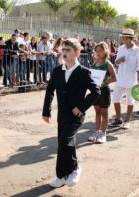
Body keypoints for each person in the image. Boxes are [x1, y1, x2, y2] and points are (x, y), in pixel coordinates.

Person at [42, 38, 100, 188]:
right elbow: (49, 91)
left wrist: (81, 107)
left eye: (68, 50)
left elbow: (96, 92)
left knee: (65, 141)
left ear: (77, 53)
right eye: (63, 49)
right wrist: (46, 110)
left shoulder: (84, 72)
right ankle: (61, 175)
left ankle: (75, 168)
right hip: (62, 114)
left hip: (76, 116)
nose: (64, 53)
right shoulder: (57, 70)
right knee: (62, 144)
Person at [110, 29, 139, 129]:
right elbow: (116, 62)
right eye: (123, 38)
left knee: (130, 101)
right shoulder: (121, 48)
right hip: (120, 78)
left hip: (132, 79)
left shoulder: (137, 50)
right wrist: (119, 60)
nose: (123, 40)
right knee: (115, 99)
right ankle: (119, 119)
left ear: (131, 39)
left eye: (125, 38)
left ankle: (127, 121)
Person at [88, 42, 116, 144]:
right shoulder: (95, 63)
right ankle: (96, 132)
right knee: (97, 112)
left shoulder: (108, 64)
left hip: (104, 91)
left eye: (101, 51)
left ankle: (103, 134)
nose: (98, 53)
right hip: (95, 91)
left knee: (104, 113)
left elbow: (114, 78)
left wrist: (104, 82)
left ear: (106, 51)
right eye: (97, 51)